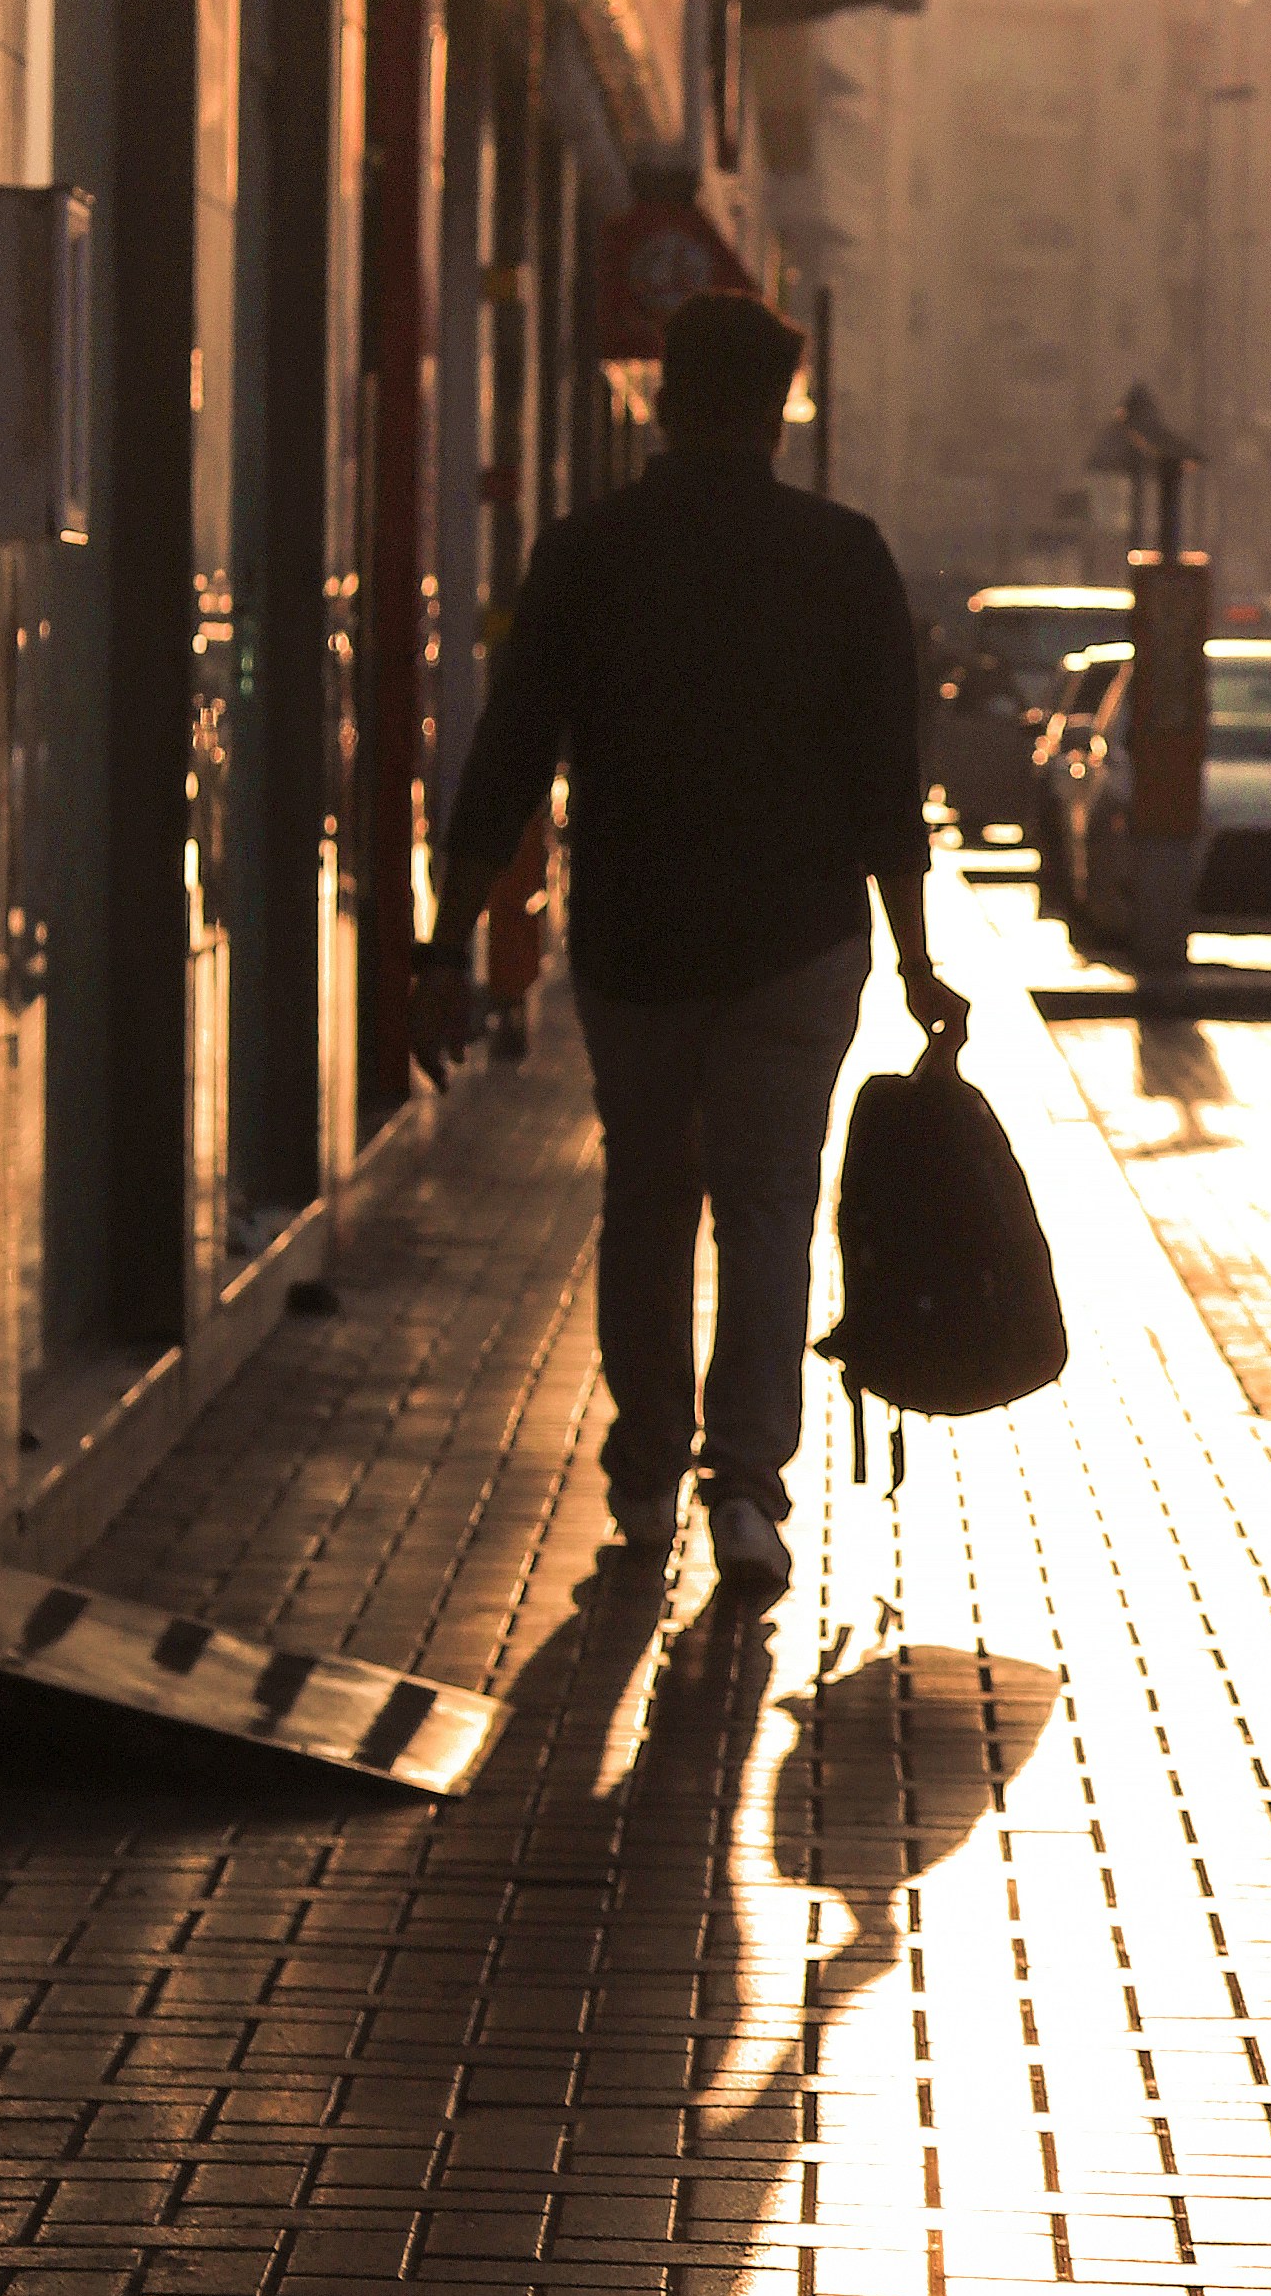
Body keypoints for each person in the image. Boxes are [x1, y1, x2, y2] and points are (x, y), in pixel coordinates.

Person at [409, 281, 964, 1599]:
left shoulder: (588, 549)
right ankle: (748, 1496)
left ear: (662, 396)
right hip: (800, 943)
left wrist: (445, 941)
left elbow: (509, 754)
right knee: (768, 1212)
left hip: (634, 942)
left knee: (648, 1203)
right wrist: (921, 955)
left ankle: (650, 1476)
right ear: (781, 409)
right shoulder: (844, 555)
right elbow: (887, 781)